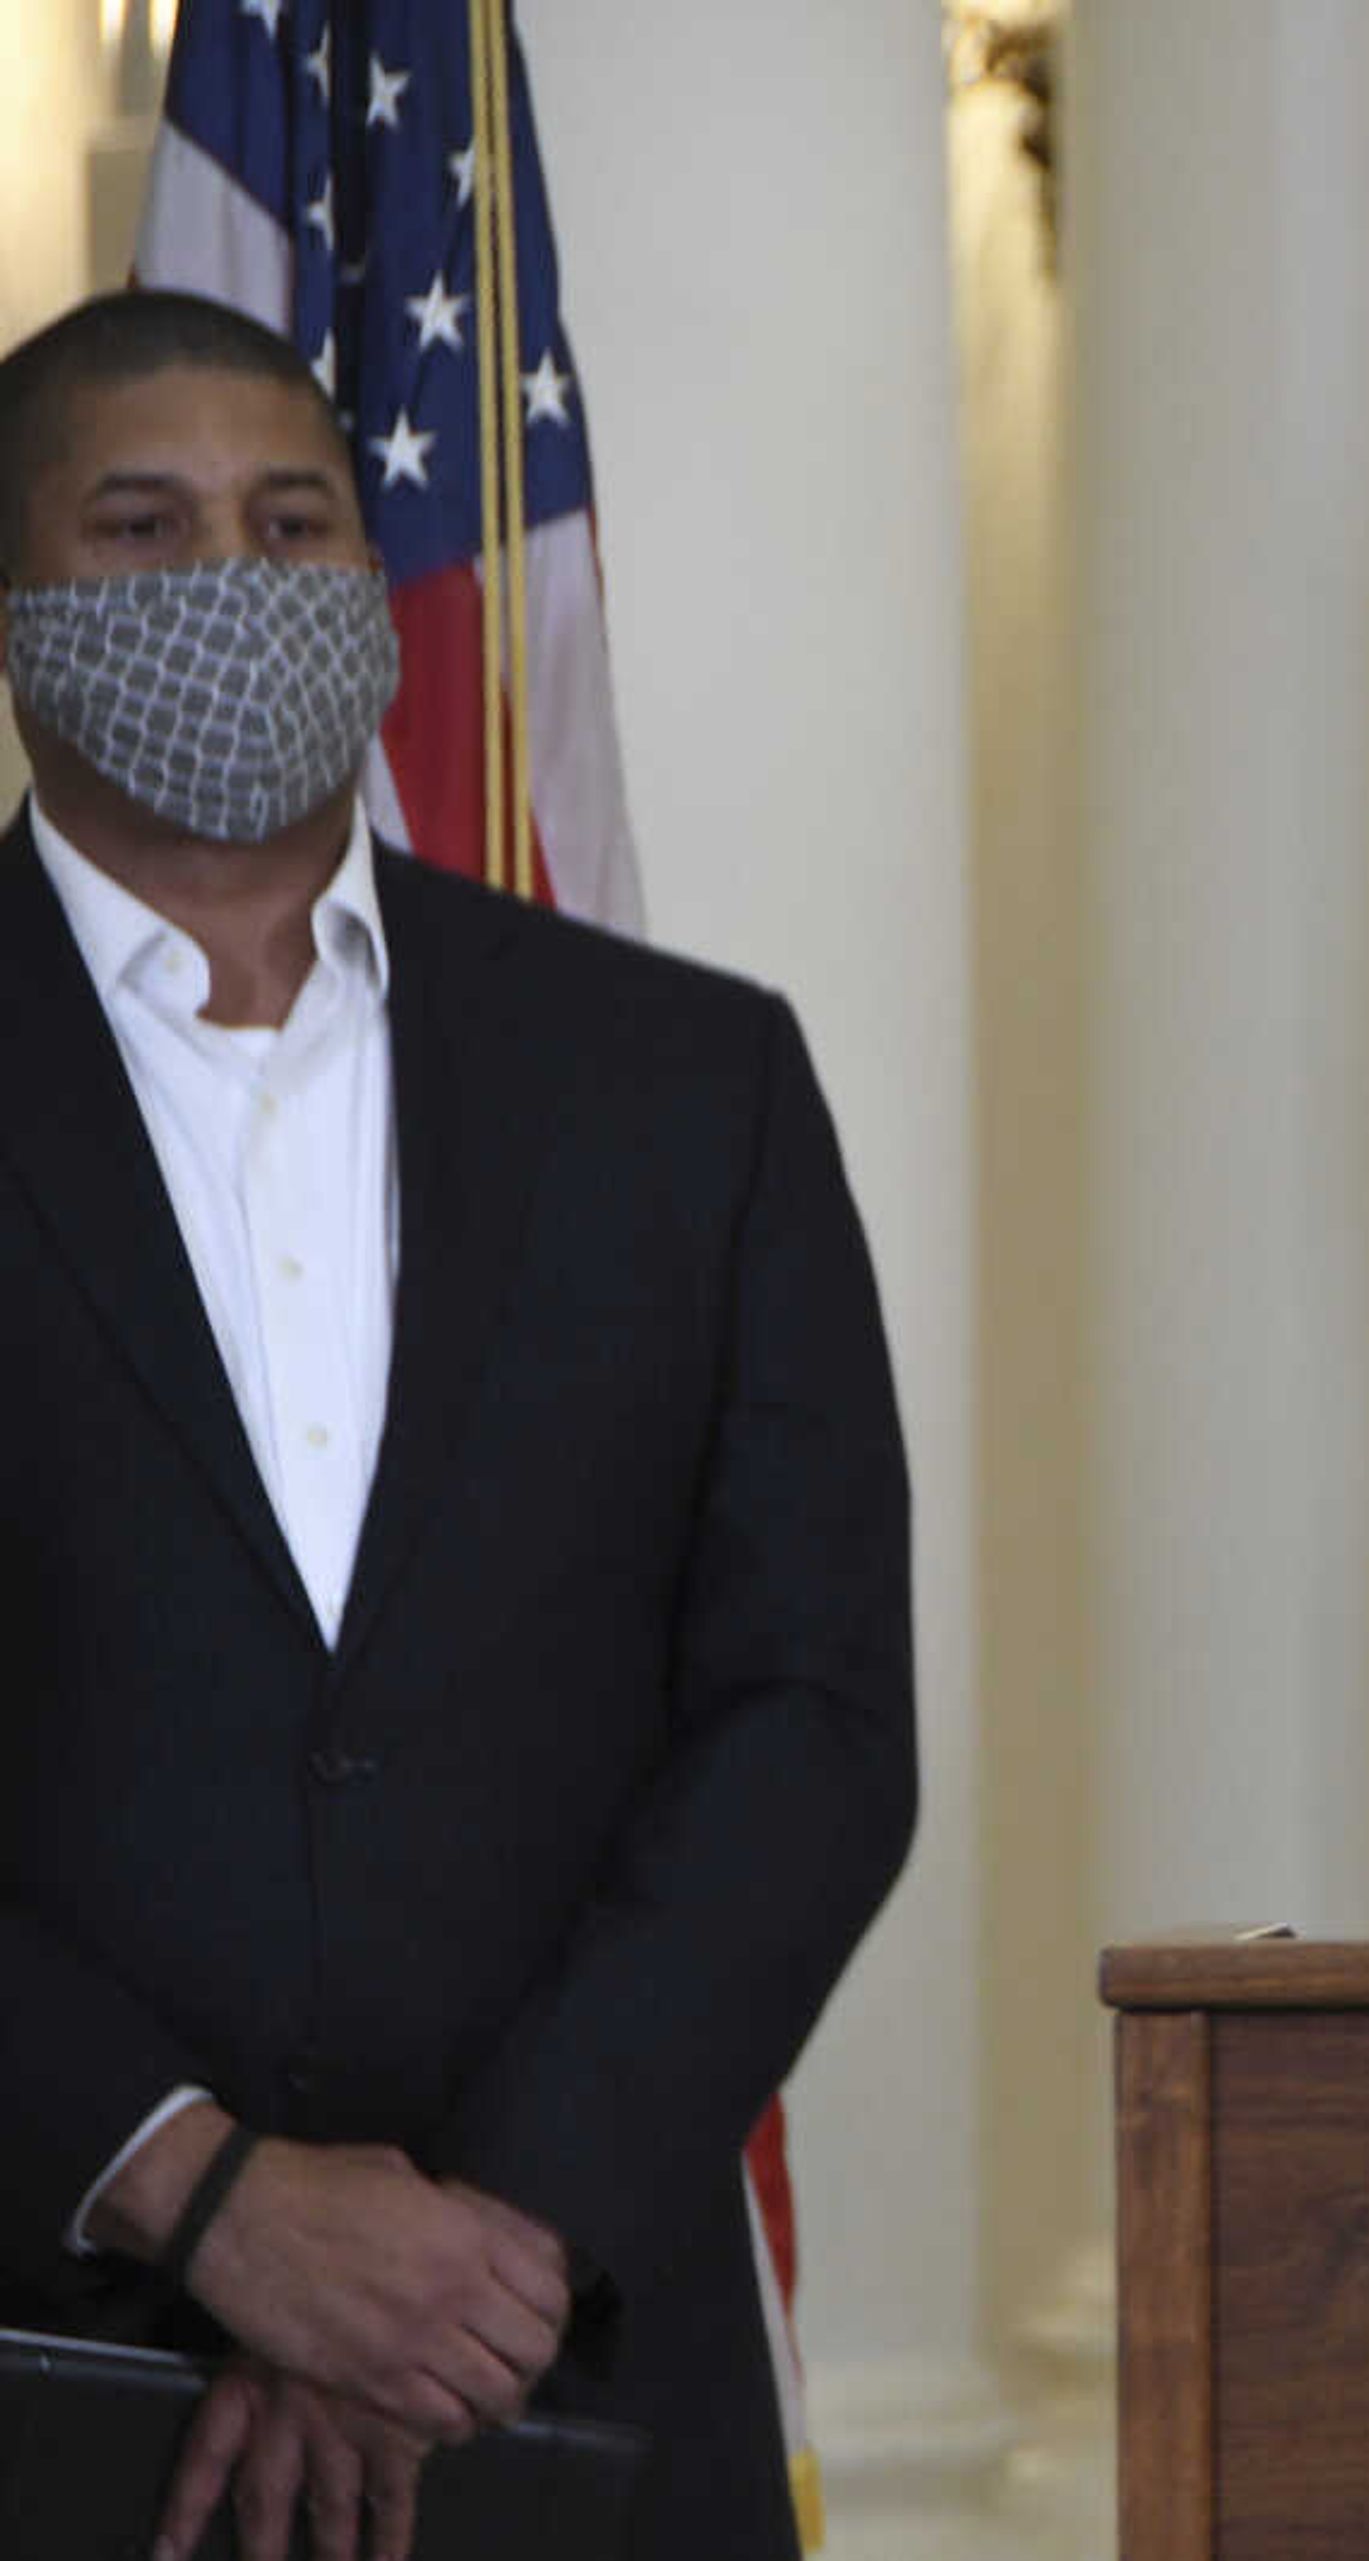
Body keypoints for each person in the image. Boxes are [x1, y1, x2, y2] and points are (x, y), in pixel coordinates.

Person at [0, 289, 914, 2561]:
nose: (236, 573)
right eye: (143, 523)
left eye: (293, 519)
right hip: (48, 2350)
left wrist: (475, 2240)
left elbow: (809, 1710)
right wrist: (194, 2183)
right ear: (16, 608)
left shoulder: (685, 1082)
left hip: (569, 2365)